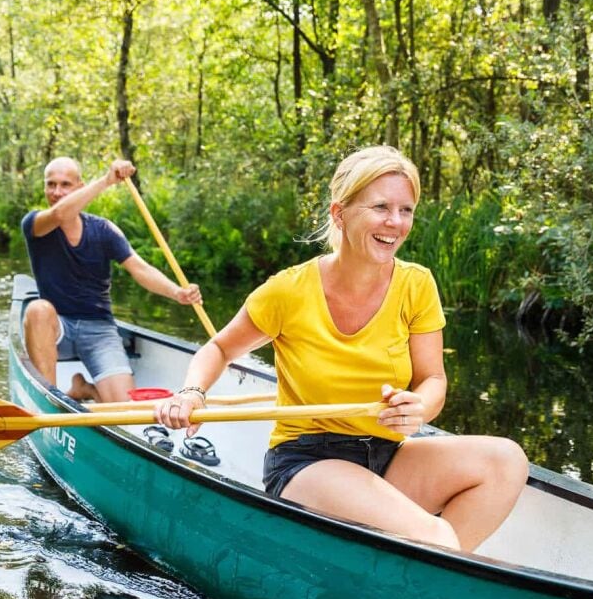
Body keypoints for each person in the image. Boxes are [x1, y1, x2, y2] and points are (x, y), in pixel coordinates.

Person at [153, 146, 526, 552]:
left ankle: (412, 578)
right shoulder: (288, 290)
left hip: (385, 454)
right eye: (381, 206)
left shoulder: (417, 284)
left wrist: (418, 408)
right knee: (434, 536)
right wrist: (191, 393)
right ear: (340, 213)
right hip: (308, 462)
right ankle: (426, 574)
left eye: (406, 210)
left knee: (506, 461)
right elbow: (220, 348)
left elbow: (432, 380)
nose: (395, 222)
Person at [22, 157, 203, 403]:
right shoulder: (34, 224)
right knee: (37, 310)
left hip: (99, 330)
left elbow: (140, 269)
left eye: (65, 184)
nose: (56, 191)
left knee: (124, 408)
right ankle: (50, 400)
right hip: (57, 329)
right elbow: (60, 213)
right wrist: (107, 181)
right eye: (50, 184)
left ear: (79, 186)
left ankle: (84, 390)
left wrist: (177, 292)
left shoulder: (104, 230)